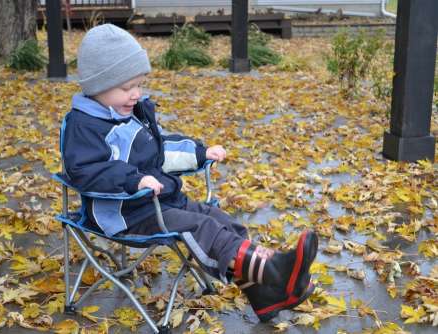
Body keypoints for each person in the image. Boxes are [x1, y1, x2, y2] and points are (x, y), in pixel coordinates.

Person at [61, 23, 318, 322]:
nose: (136, 94)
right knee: (200, 228)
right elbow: (86, 171)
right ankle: (274, 272)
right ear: (97, 86)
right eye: (126, 87)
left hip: (159, 201)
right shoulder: (85, 126)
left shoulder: (130, 114)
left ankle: (264, 294)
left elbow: (158, 150)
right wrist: (134, 180)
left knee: (219, 220)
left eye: (139, 84)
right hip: (123, 212)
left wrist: (199, 153)